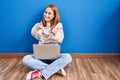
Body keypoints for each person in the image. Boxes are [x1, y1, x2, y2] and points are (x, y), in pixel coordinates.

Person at [22, 4, 72, 80]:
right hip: (40, 57)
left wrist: (54, 34)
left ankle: (40, 72)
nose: (46, 15)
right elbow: (34, 34)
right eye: (45, 12)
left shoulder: (58, 26)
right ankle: (56, 69)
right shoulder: (39, 25)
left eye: (49, 13)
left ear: (54, 16)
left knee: (68, 57)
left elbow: (59, 39)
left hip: (54, 57)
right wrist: (37, 29)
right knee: (26, 59)